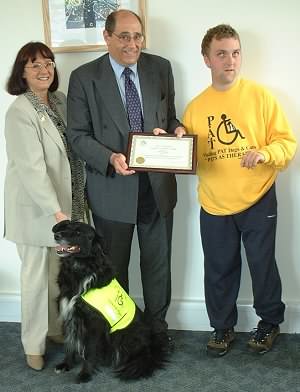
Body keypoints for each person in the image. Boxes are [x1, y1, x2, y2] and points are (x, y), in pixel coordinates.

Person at [66, 9, 185, 346]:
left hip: (156, 188)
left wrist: (177, 131)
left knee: (158, 265)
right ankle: (123, 332)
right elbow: (77, 135)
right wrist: (110, 158)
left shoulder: (160, 68)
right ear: (107, 37)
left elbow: (171, 116)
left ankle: (158, 329)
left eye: (137, 36)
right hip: (112, 189)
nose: (132, 44)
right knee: (115, 269)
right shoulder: (84, 77)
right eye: (124, 36)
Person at [182, 24, 297, 356]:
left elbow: (287, 142)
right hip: (215, 203)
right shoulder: (195, 107)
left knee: (262, 265)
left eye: (235, 52)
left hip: (259, 197)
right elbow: (189, 156)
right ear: (207, 60)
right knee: (218, 269)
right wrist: (171, 145)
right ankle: (222, 327)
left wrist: (265, 153)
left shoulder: (260, 96)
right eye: (221, 54)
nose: (230, 61)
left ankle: (269, 323)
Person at [4, 42, 85, 370]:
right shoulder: (19, 111)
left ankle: (53, 331)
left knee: (57, 277)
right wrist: (56, 212)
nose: (44, 69)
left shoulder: (61, 102)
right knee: (35, 281)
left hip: (66, 207)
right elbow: (32, 168)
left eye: (48, 63)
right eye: (34, 64)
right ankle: (32, 345)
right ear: (21, 72)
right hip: (38, 212)